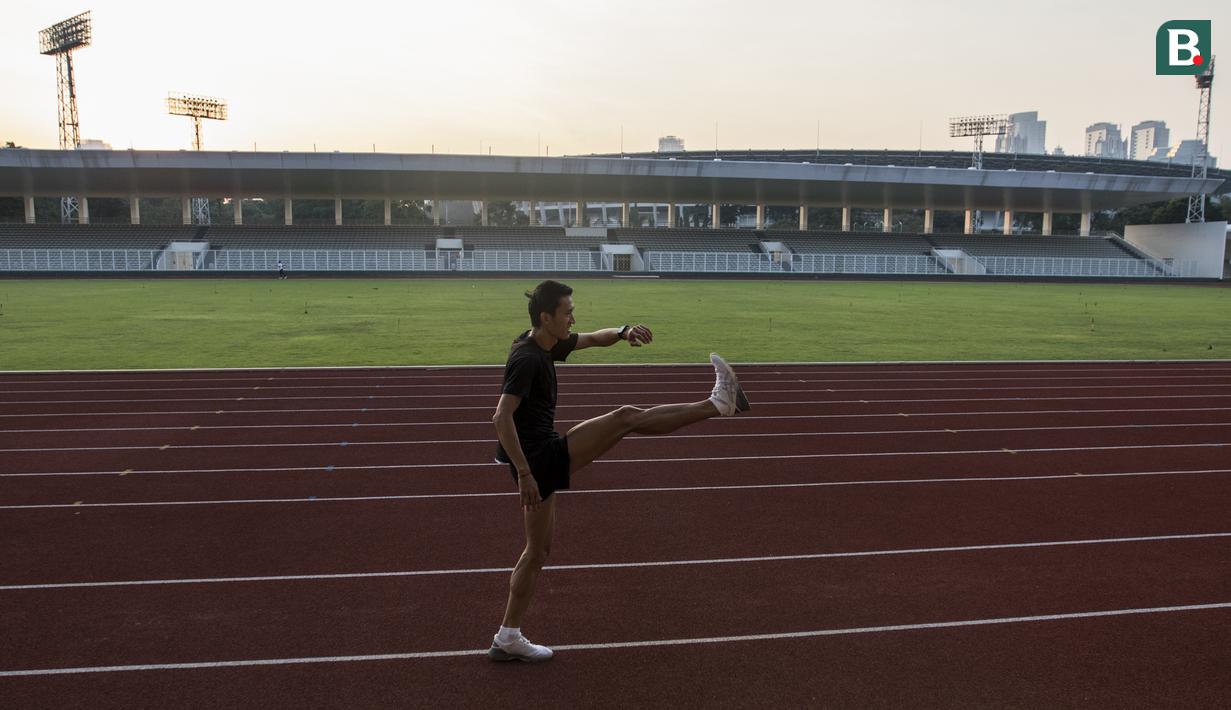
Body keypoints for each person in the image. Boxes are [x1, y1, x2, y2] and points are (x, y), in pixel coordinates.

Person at [488, 279, 749, 663]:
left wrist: (624, 331)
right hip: (538, 460)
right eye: (567, 312)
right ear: (547, 317)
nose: (573, 318)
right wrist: (525, 474)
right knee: (626, 417)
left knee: (537, 550)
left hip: (539, 454)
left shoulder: (545, 342)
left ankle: (507, 637)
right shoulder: (527, 358)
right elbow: (501, 417)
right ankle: (718, 404)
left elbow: (593, 338)